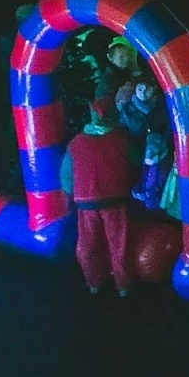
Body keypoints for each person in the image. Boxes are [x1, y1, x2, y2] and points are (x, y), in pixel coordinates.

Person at [60, 97, 137, 297]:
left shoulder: (76, 143)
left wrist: (68, 196)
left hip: (85, 202)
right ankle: (123, 287)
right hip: (115, 199)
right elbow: (137, 163)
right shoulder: (122, 139)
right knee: (119, 244)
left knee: (88, 245)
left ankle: (94, 283)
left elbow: (67, 176)